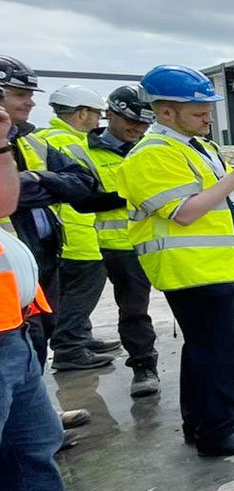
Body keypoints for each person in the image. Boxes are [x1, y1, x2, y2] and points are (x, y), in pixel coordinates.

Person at [2, 112, 148, 491]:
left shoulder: (28, 141)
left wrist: (8, 151)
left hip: (12, 323)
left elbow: (19, 196)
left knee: (31, 443)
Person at [120, 65, 234, 456]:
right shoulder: (152, 155)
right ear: (165, 112)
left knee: (211, 347)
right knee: (213, 348)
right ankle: (217, 432)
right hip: (190, 268)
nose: (208, 118)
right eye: (198, 111)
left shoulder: (196, 147)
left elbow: (229, 198)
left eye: (209, 109)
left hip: (217, 262)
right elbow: (185, 212)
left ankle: (210, 419)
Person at [0, 57, 113, 380]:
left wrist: (37, 181)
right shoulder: (57, 139)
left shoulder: (31, 140)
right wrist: (42, 184)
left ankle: (37, 419)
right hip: (14, 263)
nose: (30, 101)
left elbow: (82, 183)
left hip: (45, 251)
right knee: (21, 342)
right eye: (19, 93)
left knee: (40, 334)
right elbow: (10, 196)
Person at [38, 86, 128, 373]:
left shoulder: (43, 139)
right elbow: (86, 190)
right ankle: (70, 348)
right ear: (81, 113)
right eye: (96, 113)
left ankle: (81, 337)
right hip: (78, 232)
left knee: (70, 291)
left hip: (60, 232)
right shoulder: (70, 144)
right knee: (81, 292)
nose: (99, 119)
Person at [84, 86, 162, 397]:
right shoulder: (85, 152)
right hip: (121, 245)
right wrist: (131, 193)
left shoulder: (152, 147)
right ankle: (143, 367)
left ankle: (227, 350)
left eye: (144, 124)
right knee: (133, 311)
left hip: (164, 241)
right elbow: (84, 199)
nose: (137, 129)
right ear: (110, 114)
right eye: (131, 121)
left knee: (199, 303)